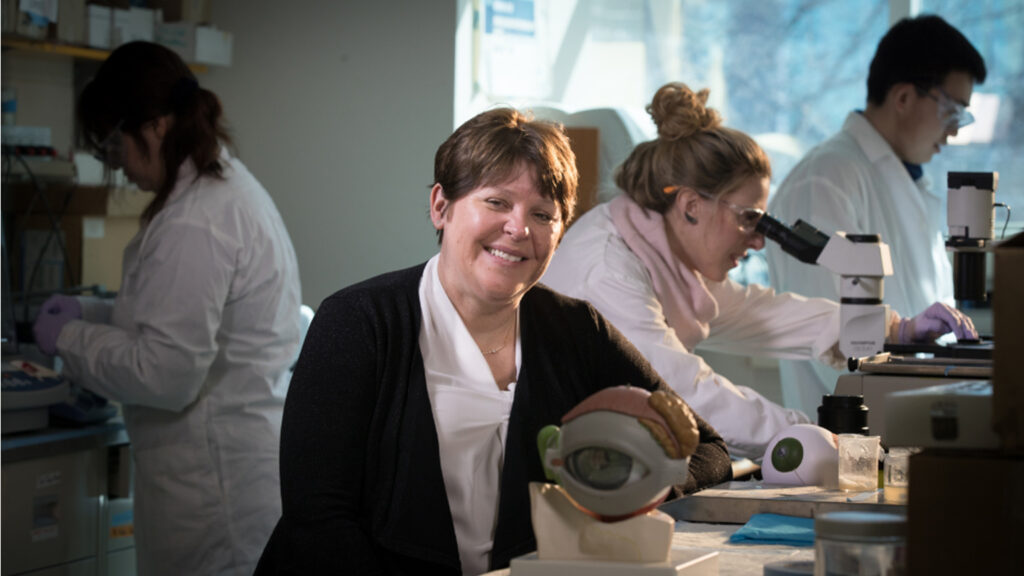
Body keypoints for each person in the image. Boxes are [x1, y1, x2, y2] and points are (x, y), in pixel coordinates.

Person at [254, 108, 732, 575]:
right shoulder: (359, 322)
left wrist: (637, 485)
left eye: (543, 214)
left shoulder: (575, 329)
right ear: (441, 206)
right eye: (498, 202)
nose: (519, 228)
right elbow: (318, 518)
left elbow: (709, 449)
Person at [541, 82, 975, 460]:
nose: (759, 240)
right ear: (691, 206)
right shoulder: (608, 270)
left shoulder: (658, 255)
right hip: (566, 466)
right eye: (750, 219)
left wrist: (895, 328)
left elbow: (760, 315)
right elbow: (682, 393)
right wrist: (807, 433)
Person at [31, 42, 302, 575]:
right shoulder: (224, 192)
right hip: (228, 473)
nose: (118, 166)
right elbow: (178, 321)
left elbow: (166, 372)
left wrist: (68, 339)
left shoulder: (194, 222)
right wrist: (93, 314)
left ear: (153, 126)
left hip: (211, 490)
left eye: (113, 145)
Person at [765, 15, 986, 416]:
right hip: (850, 432)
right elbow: (833, 343)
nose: (954, 133)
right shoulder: (824, 180)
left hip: (905, 417)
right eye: (953, 112)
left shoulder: (907, 182)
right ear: (903, 98)